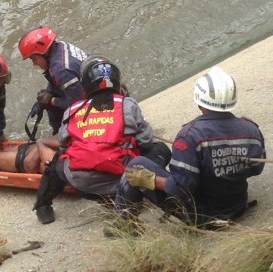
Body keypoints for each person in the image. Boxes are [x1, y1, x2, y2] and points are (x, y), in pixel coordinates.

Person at [112, 67, 266, 231]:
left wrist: (150, 179)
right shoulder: (251, 130)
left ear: (199, 101)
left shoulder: (189, 136)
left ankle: (124, 225)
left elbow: (181, 188)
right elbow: (256, 169)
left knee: (137, 164)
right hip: (236, 205)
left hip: (201, 215)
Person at [32, 55, 167, 224]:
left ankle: (43, 206)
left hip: (80, 184)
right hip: (119, 180)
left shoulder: (73, 109)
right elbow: (145, 141)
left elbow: (63, 140)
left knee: (59, 158)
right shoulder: (128, 104)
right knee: (160, 150)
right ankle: (138, 195)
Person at [18, 26, 88, 135]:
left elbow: (79, 105)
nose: (34, 64)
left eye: (34, 59)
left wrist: (51, 100)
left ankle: (61, 140)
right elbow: (57, 82)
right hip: (92, 89)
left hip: (94, 104)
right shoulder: (61, 46)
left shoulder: (61, 70)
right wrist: (44, 98)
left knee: (52, 105)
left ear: (43, 53)